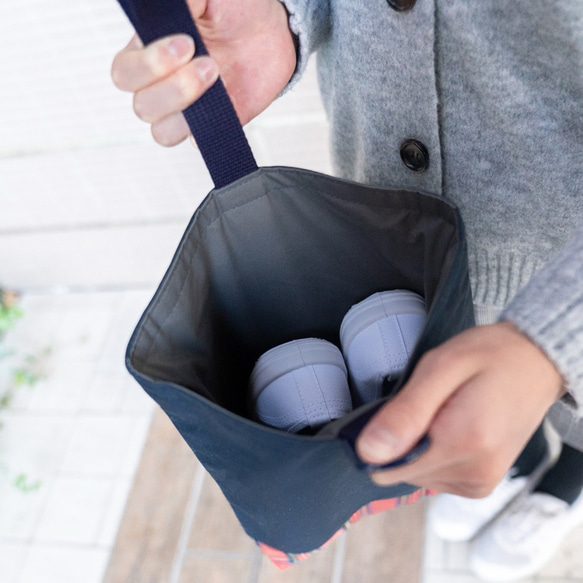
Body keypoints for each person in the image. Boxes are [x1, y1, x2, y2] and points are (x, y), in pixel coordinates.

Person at [111, 1, 583, 579]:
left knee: (572, 412)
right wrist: (286, 17)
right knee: (477, 411)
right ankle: (516, 461)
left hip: (565, 262)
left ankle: (565, 484)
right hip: (391, 228)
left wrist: (560, 336)